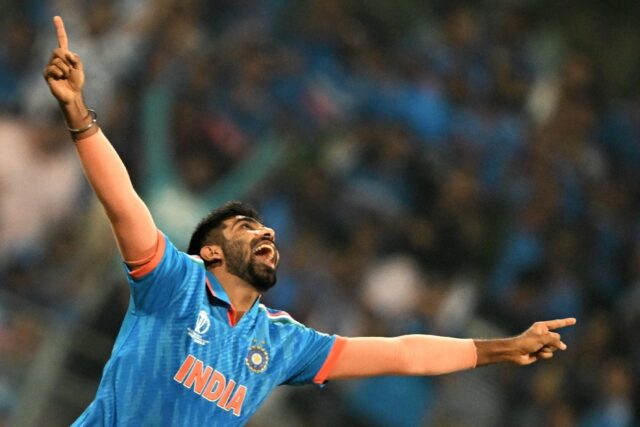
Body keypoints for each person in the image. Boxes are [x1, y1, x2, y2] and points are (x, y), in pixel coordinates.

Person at [43, 16, 576, 426]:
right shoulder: (172, 284)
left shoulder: (280, 343)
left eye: (265, 227)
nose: (266, 232)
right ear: (209, 252)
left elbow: (400, 353)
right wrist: (78, 113)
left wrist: (501, 348)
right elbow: (124, 203)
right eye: (246, 228)